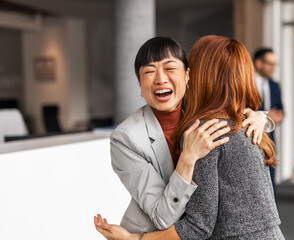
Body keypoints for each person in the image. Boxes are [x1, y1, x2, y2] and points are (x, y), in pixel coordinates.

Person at [94, 35, 284, 240]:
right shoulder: (126, 138)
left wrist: (259, 117)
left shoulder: (206, 119)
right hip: (158, 229)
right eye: (148, 72)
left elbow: (233, 117)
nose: (160, 79)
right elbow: (163, 216)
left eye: (170, 68)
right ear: (139, 83)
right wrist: (188, 157)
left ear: (188, 75)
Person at [253, 48, 284, 197]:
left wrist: (278, 116)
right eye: (270, 64)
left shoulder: (275, 86)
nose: (274, 68)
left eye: (275, 64)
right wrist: (267, 116)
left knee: (270, 177)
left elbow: (280, 110)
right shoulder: (247, 84)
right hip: (251, 138)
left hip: (270, 139)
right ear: (259, 63)